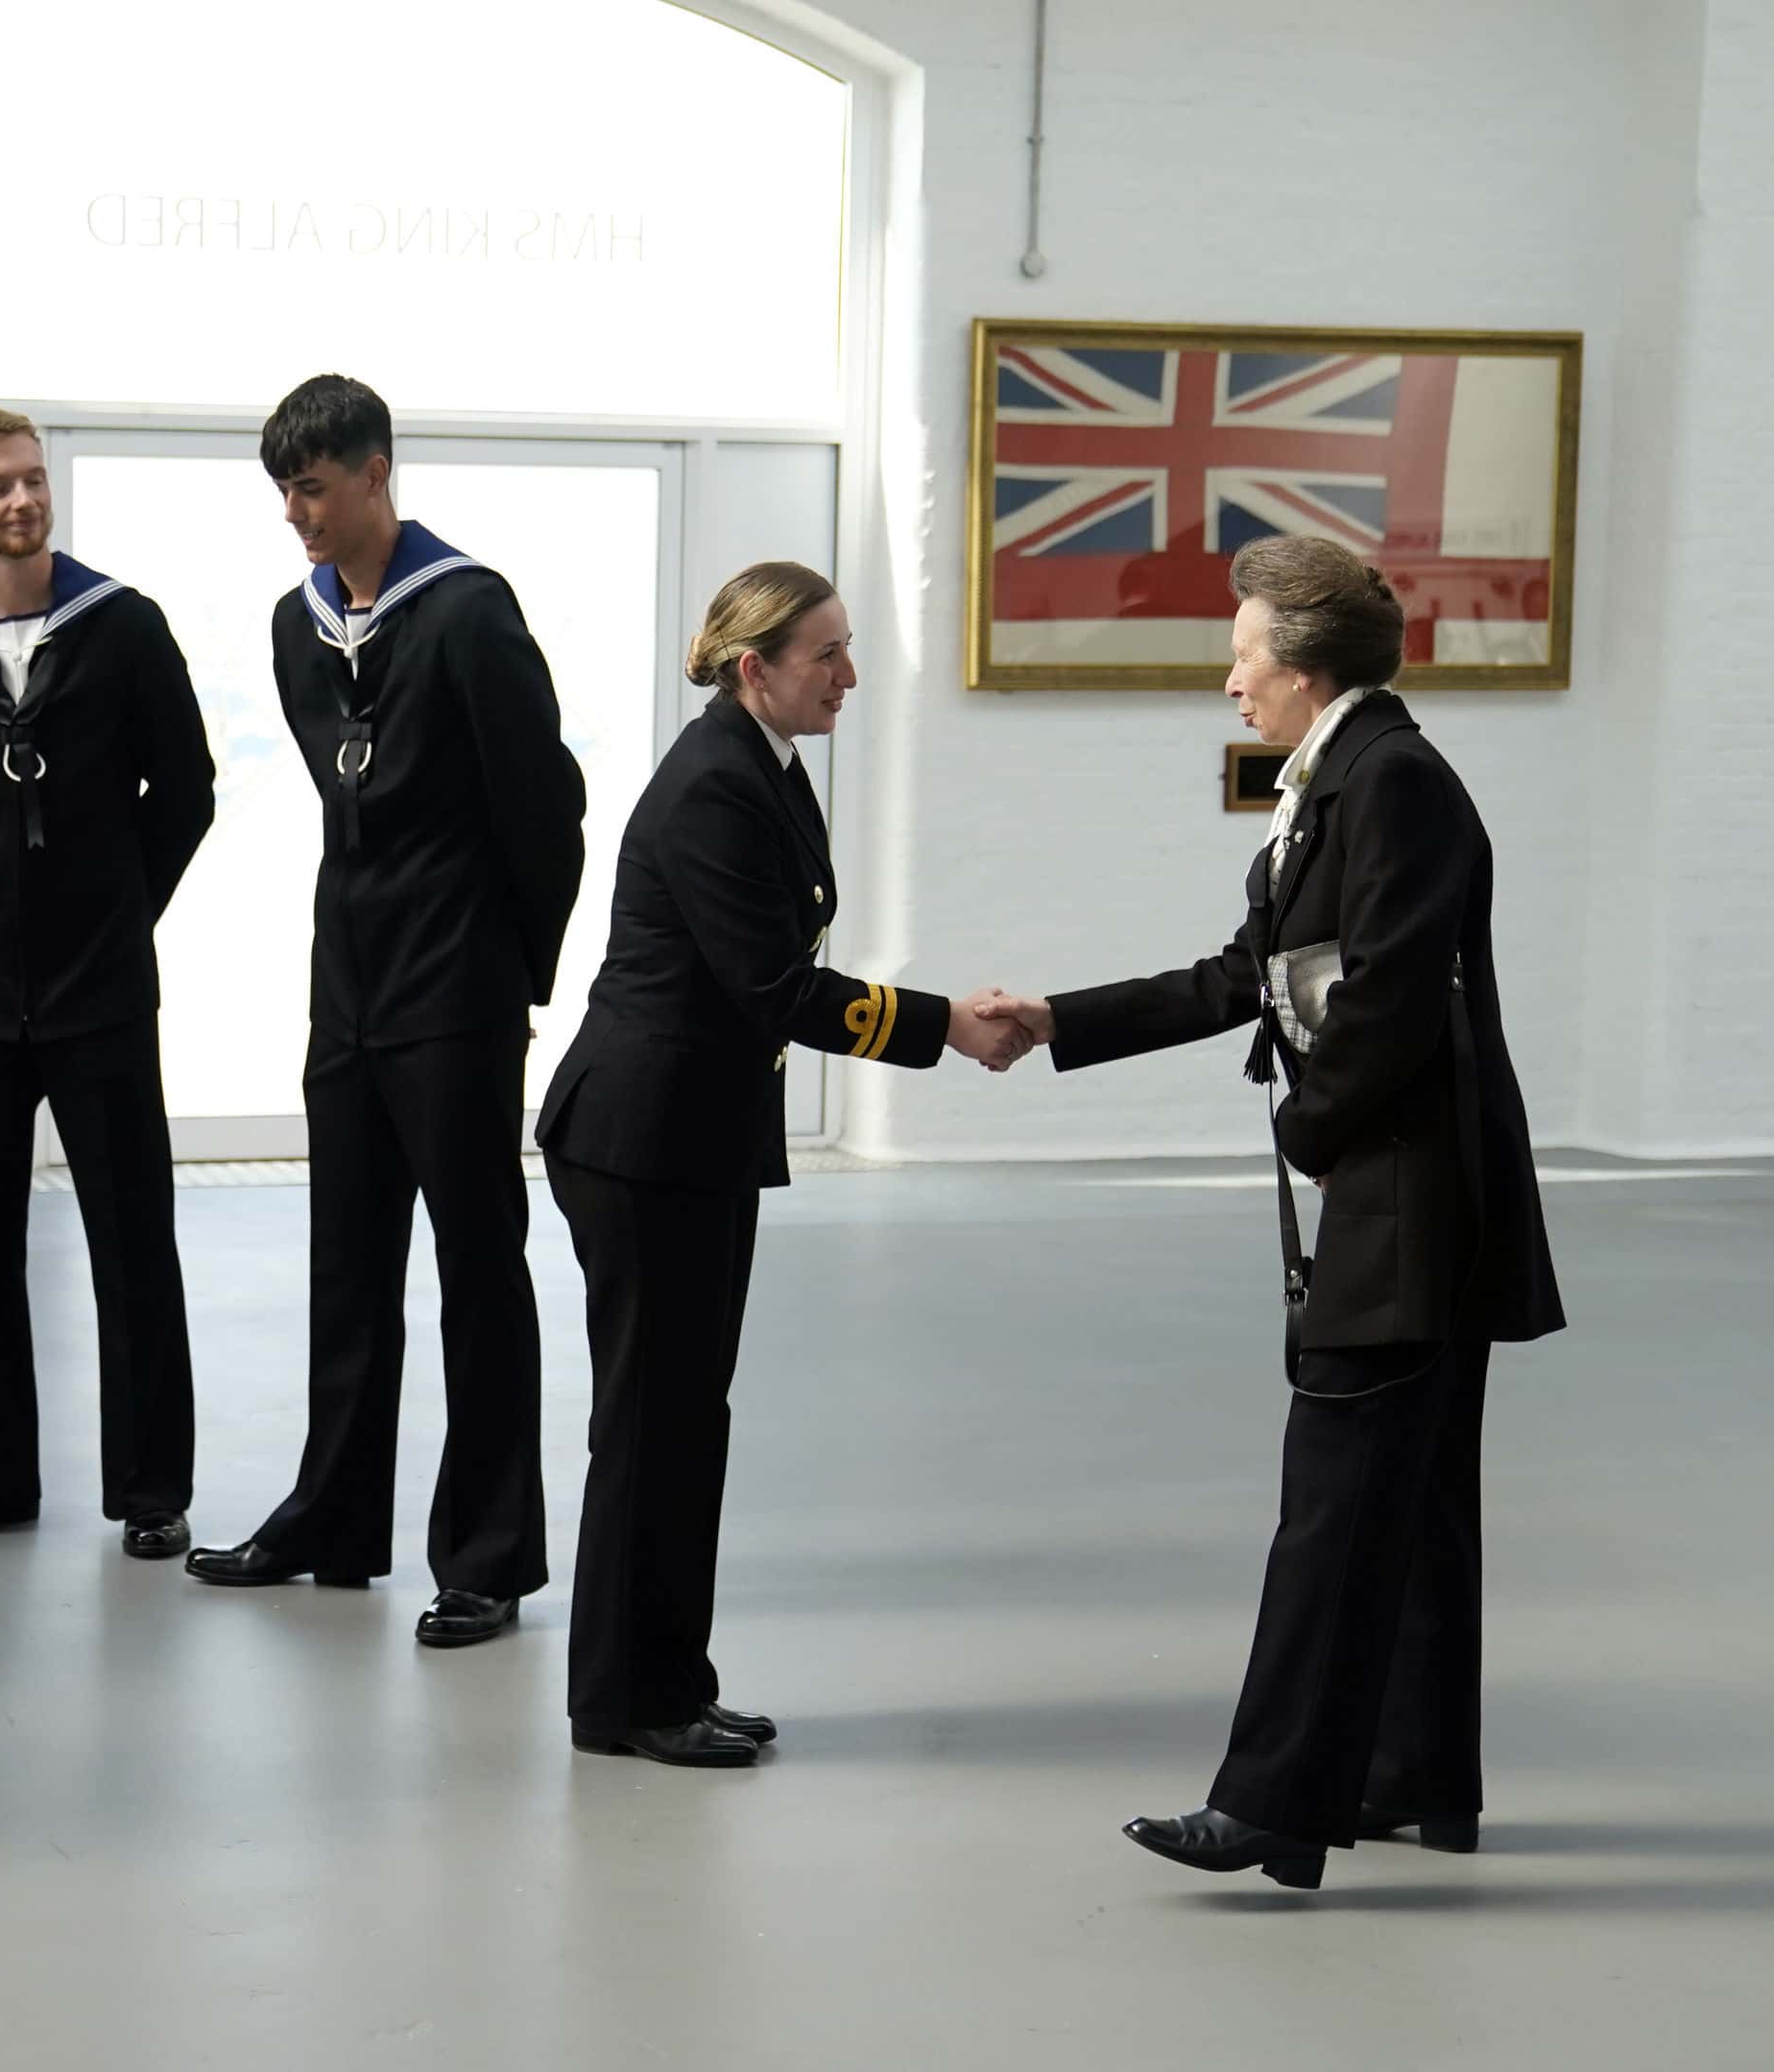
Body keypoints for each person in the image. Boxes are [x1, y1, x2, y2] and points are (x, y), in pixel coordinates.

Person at [980, 536, 1564, 1889]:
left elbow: (1391, 1004)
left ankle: (1276, 1806)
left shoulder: (1395, 784)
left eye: (1243, 653)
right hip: (1404, 1190)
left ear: (1301, 669)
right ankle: (1416, 1777)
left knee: (1335, 1504)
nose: (1230, 679)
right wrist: (1059, 1020)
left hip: (1408, 1201)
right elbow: (1245, 975)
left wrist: (1309, 1129)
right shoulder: (1350, 778)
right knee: (1412, 1507)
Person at [534, 562, 1025, 1768]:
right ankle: (621, 1699)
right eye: (827, 656)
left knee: (686, 1418)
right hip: (640, 1145)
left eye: (847, 649)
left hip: (691, 1138)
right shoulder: (712, 786)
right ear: (755, 667)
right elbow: (775, 986)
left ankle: (668, 1678)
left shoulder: (763, 768)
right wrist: (941, 1025)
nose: (848, 676)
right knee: (650, 1422)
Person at [186, 374, 586, 1650]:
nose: (297, 514)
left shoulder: (468, 611)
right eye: (283, 493)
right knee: (345, 1265)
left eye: (313, 486)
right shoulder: (296, 625)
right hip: (347, 989)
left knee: (478, 1270)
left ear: (374, 472)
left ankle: (488, 1553)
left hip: (456, 990)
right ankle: (334, 1518)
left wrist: (512, 973)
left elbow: (548, 809)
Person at [0, 408, 216, 1557]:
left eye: (32, 480)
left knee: (132, 1235)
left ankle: (150, 1488)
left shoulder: (121, 627)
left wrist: (117, 911)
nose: (20, 500)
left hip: (100, 989)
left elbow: (184, 790)